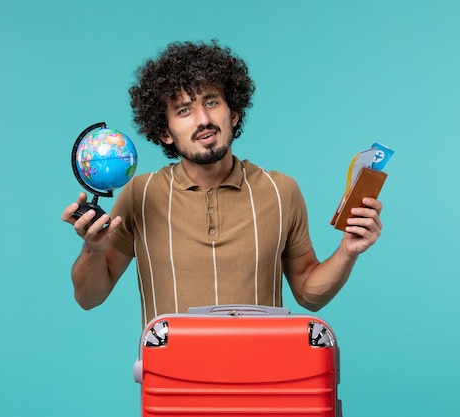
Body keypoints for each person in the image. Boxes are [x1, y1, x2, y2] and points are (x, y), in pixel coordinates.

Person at [61, 40, 383, 325]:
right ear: (164, 132)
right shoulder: (140, 196)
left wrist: (347, 252)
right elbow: (88, 298)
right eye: (184, 110)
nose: (202, 119)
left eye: (211, 102)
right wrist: (93, 247)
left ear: (234, 114)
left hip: (261, 387)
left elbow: (309, 293)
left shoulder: (281, 191)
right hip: (173, 388)